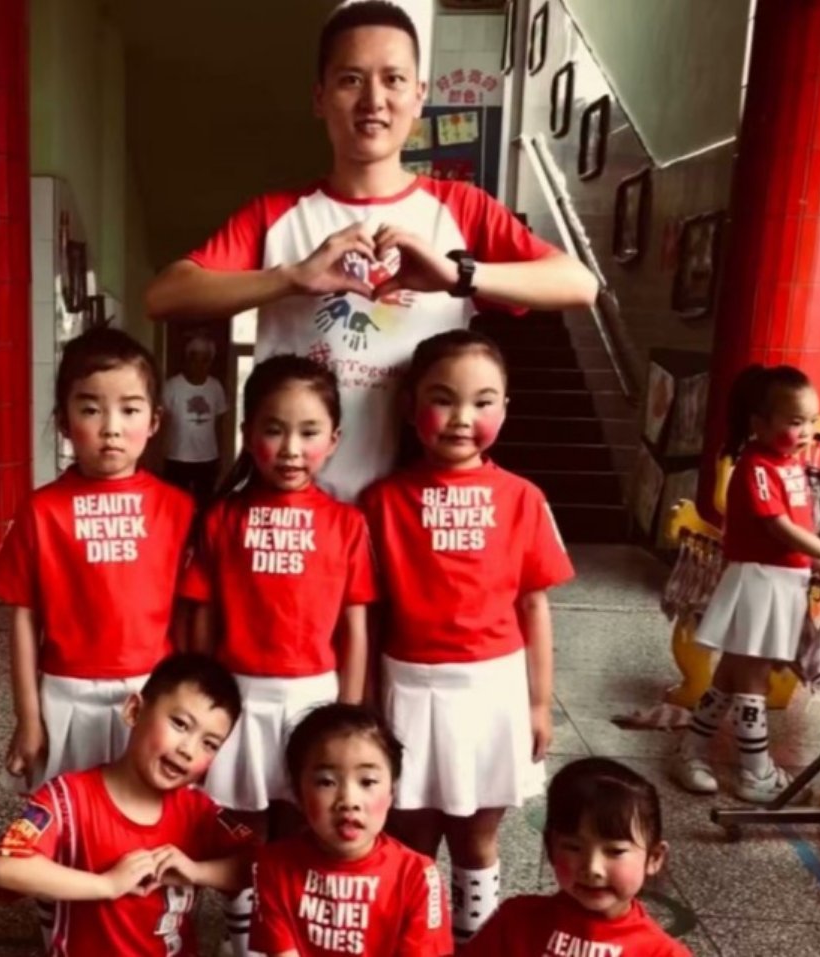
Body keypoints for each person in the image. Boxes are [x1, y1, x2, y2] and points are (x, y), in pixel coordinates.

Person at [145, 0, 597, 504]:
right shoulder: (276, 213)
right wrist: (291, 278)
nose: (373, 100)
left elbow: (579, 284)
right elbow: (164, 296)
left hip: (416, 510)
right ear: (319, 97)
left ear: (419, 95)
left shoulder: (462, 208)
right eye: (351, 80)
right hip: (298, 511)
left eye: (393, 79)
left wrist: (458, 276)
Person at [360, 329, 575, 944]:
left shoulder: (524, 499)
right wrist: (367, 700)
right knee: (411, 837)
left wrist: (538, 704)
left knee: (477, 837)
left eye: (483, 402)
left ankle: (478, 943)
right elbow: (368, 614)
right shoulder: (380, 502)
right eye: (443, 398)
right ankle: (415, 941)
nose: (462, 418)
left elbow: (534, 605)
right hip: (407, 689)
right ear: (410, 407)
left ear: (506, 408)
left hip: (493, 692)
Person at [179, 354, 377, 954]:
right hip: (238, 699)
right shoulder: (222, 518)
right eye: (274, 429)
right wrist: (202, 706)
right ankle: (243, 937)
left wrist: (347, 716)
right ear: (247, 433)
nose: (291, 448)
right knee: (244, 827)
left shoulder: (346, 524)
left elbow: (355, 627)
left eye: (309, 432)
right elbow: (202, 619)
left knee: (306, 824)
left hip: (314, 699)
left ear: (334, 439)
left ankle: (288, 933)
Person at [0, 327, 195, 793]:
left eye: (129, 409)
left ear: (155, 420)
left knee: (146, 811)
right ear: (64, 421)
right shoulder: (41, 511)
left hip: (155, 693)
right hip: (66, 695)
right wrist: (28, 718)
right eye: (91, 409)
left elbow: (187, 613)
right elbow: (23, 620)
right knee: (69, 812)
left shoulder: (178, 509)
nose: (111, 427)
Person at [671, 364, 820, 803]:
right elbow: (779, 527)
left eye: (811, 420)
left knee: (730, 675)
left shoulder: (789, 464)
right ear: (759, 423)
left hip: (782, 582)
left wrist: (819, 563)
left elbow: (797, 528)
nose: (807, 431)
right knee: (752, 681)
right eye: (795, 421)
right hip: (759, 583)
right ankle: (755, 773)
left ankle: (690, 751)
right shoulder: (756, 466)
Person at [0, 653, 257, 957]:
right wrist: (107, 885)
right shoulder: (68, 799)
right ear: (134, 711)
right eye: (180, 724)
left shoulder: (199, 811)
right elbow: (5, 867)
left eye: (209, 744)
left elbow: (259, 868)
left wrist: (197, 872)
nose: (188, 750)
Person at [250, 702, 453, 957]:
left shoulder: (419, 877)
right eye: (326, 782)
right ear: (298, 794)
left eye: (367, 781)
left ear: (391, 791)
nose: (348, 800)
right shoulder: (272, 866)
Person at [462, 758, 691, 957]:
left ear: (654, 858)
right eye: (573, 847)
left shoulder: (662, 953)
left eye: (615, 851)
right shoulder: (516, 921)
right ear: (551, 848)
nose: (592, 868)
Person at [162, 333, 228, 509]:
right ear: (187, 360)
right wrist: (158, 457)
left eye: (204, 360)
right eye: (194, 359)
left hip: (208, 458)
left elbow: (220, 425)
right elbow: (161, 424)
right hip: (177, 457)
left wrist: (222, 456)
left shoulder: (215, 387)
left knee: (205, 506)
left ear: (210, 362)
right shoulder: (172, 386)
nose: (199, 365)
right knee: (176, 506)